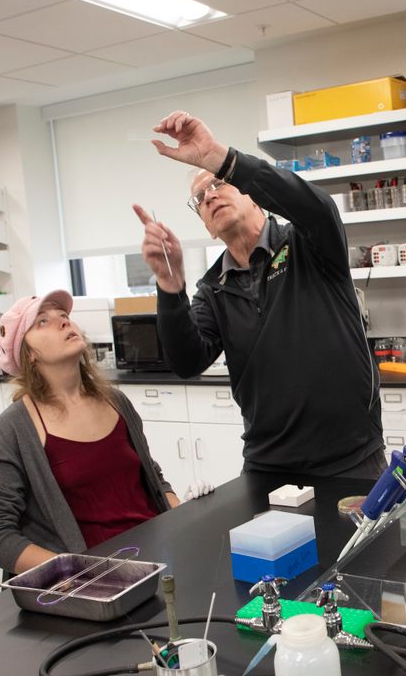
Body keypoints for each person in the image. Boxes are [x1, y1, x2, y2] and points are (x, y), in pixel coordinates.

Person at [133, 109, 384, 479]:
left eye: (219, 184)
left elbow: (313, 205)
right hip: (267, 463)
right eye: (200, 197)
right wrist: (171, 287)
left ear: (255, 199)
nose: (210, 196)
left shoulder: (308, 243)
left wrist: (222, 159)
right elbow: (187, 362)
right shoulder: (213, 288)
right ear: (206, 226)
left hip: (350, 456)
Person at [0, 290, 197, 575]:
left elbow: (151, 478)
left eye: (64, 316)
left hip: (157, 560)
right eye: (42, 321)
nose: (64, 322)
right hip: (95, 581)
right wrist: (76, 572)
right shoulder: (17, 426)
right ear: (27, 354)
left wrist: (184, 510)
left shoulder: (115, 401)